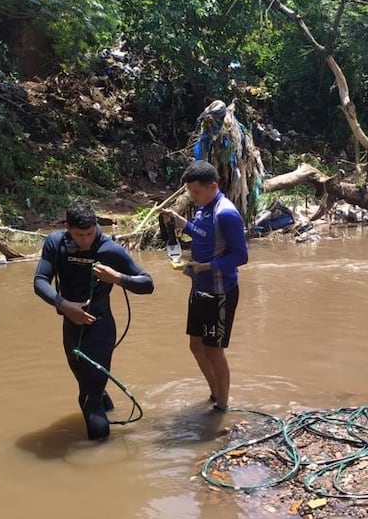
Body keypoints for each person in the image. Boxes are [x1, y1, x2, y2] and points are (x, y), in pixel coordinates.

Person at [33, 200, 154, 441]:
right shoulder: (56, 244)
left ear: (96, 226)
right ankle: (108, 409)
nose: (86, 240)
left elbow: (148, 284)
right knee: (86, 384)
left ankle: (99, 457)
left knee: (87, 396)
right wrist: (64, 305)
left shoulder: (109, 249)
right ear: (68, 228)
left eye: (90, 233)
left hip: (100, 327)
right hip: (71, 326)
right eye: (79, 235)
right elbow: (39, 281)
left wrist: (117, 277)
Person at [163, 160, 248, 412]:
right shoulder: (203, 208)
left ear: (213, 186)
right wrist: (183, 224)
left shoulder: (226, 213)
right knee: (196, 346)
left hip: (219, 292)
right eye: (190, 192)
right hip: (199, 286)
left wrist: (207, 266)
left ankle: (222, 406)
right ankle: (214, 393)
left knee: (214, 351)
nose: (192, 197)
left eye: (196, 192)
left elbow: (241, 256)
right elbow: (204, 234)